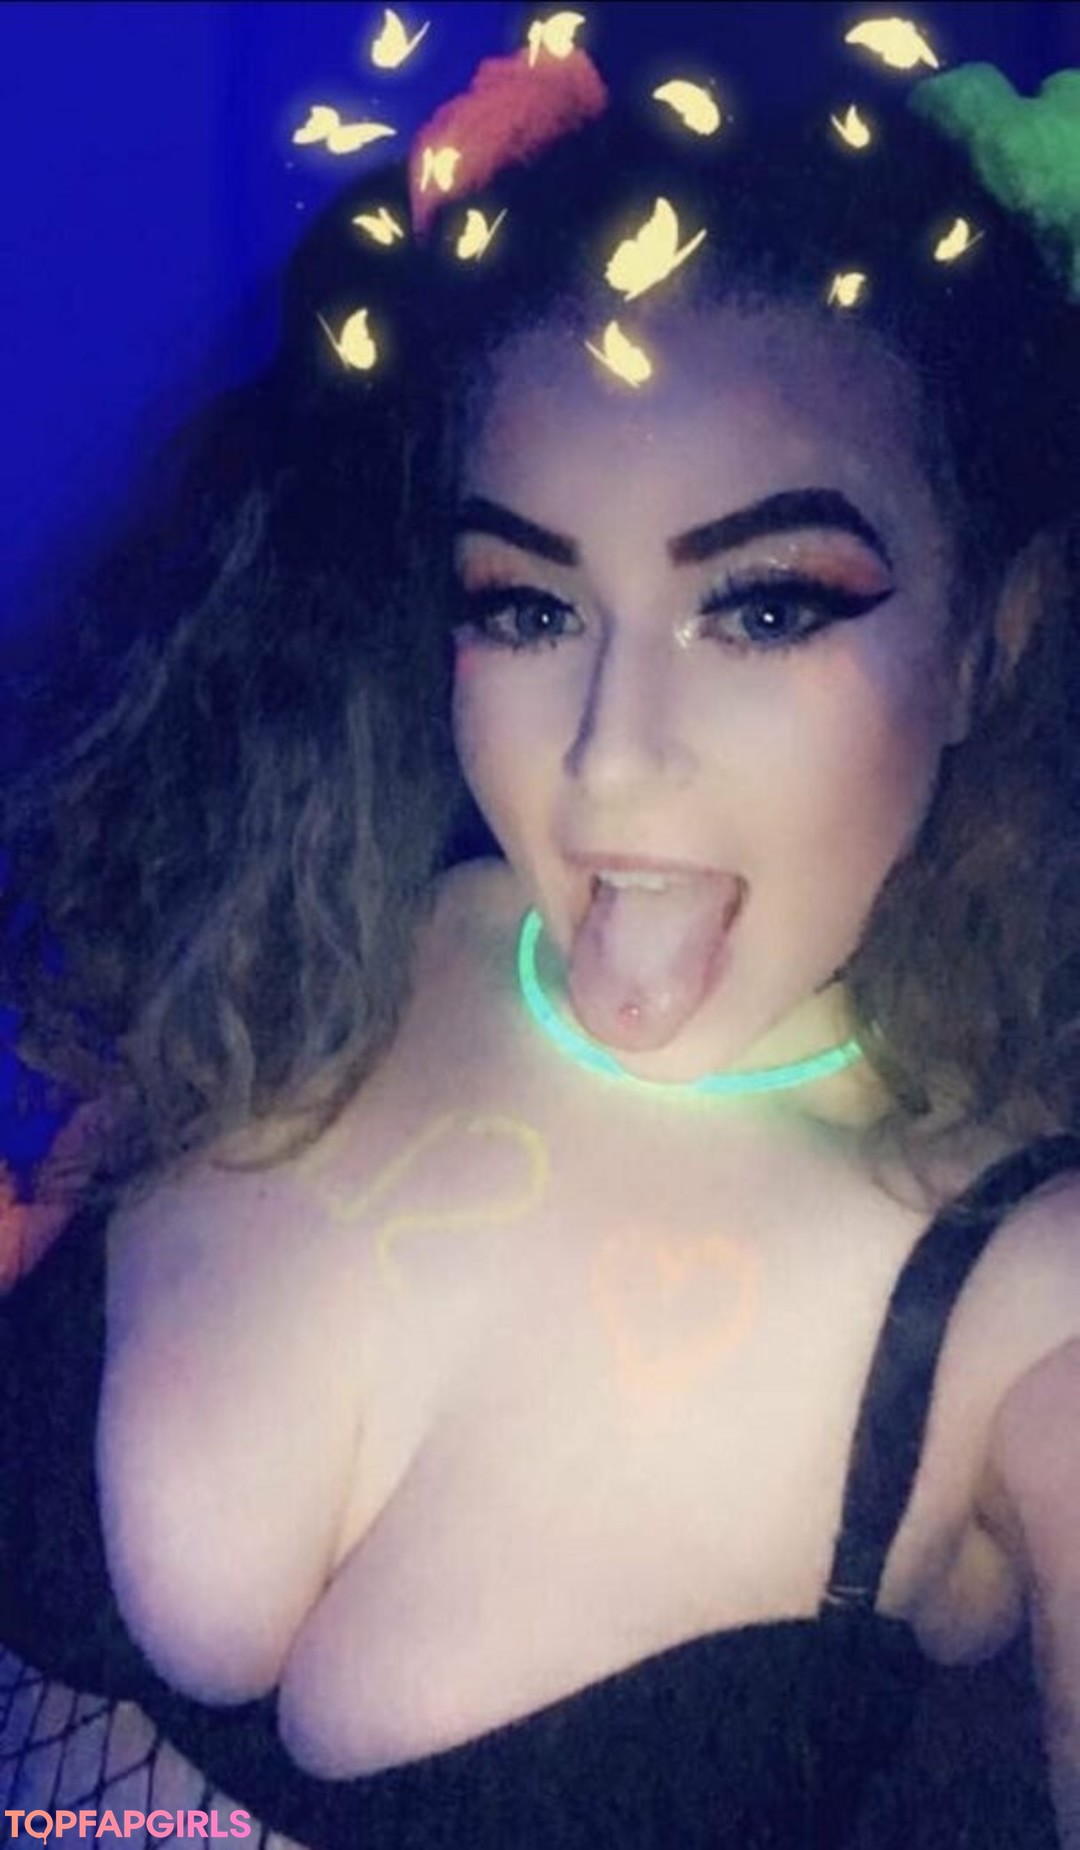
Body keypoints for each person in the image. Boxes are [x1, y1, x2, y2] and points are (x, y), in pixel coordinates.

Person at [2, 12, 1080, 1847]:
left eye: (763, 606)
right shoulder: (307, 932)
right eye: (525, 604)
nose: (608, 757)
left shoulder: (1024, 1302)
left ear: (996, 637)